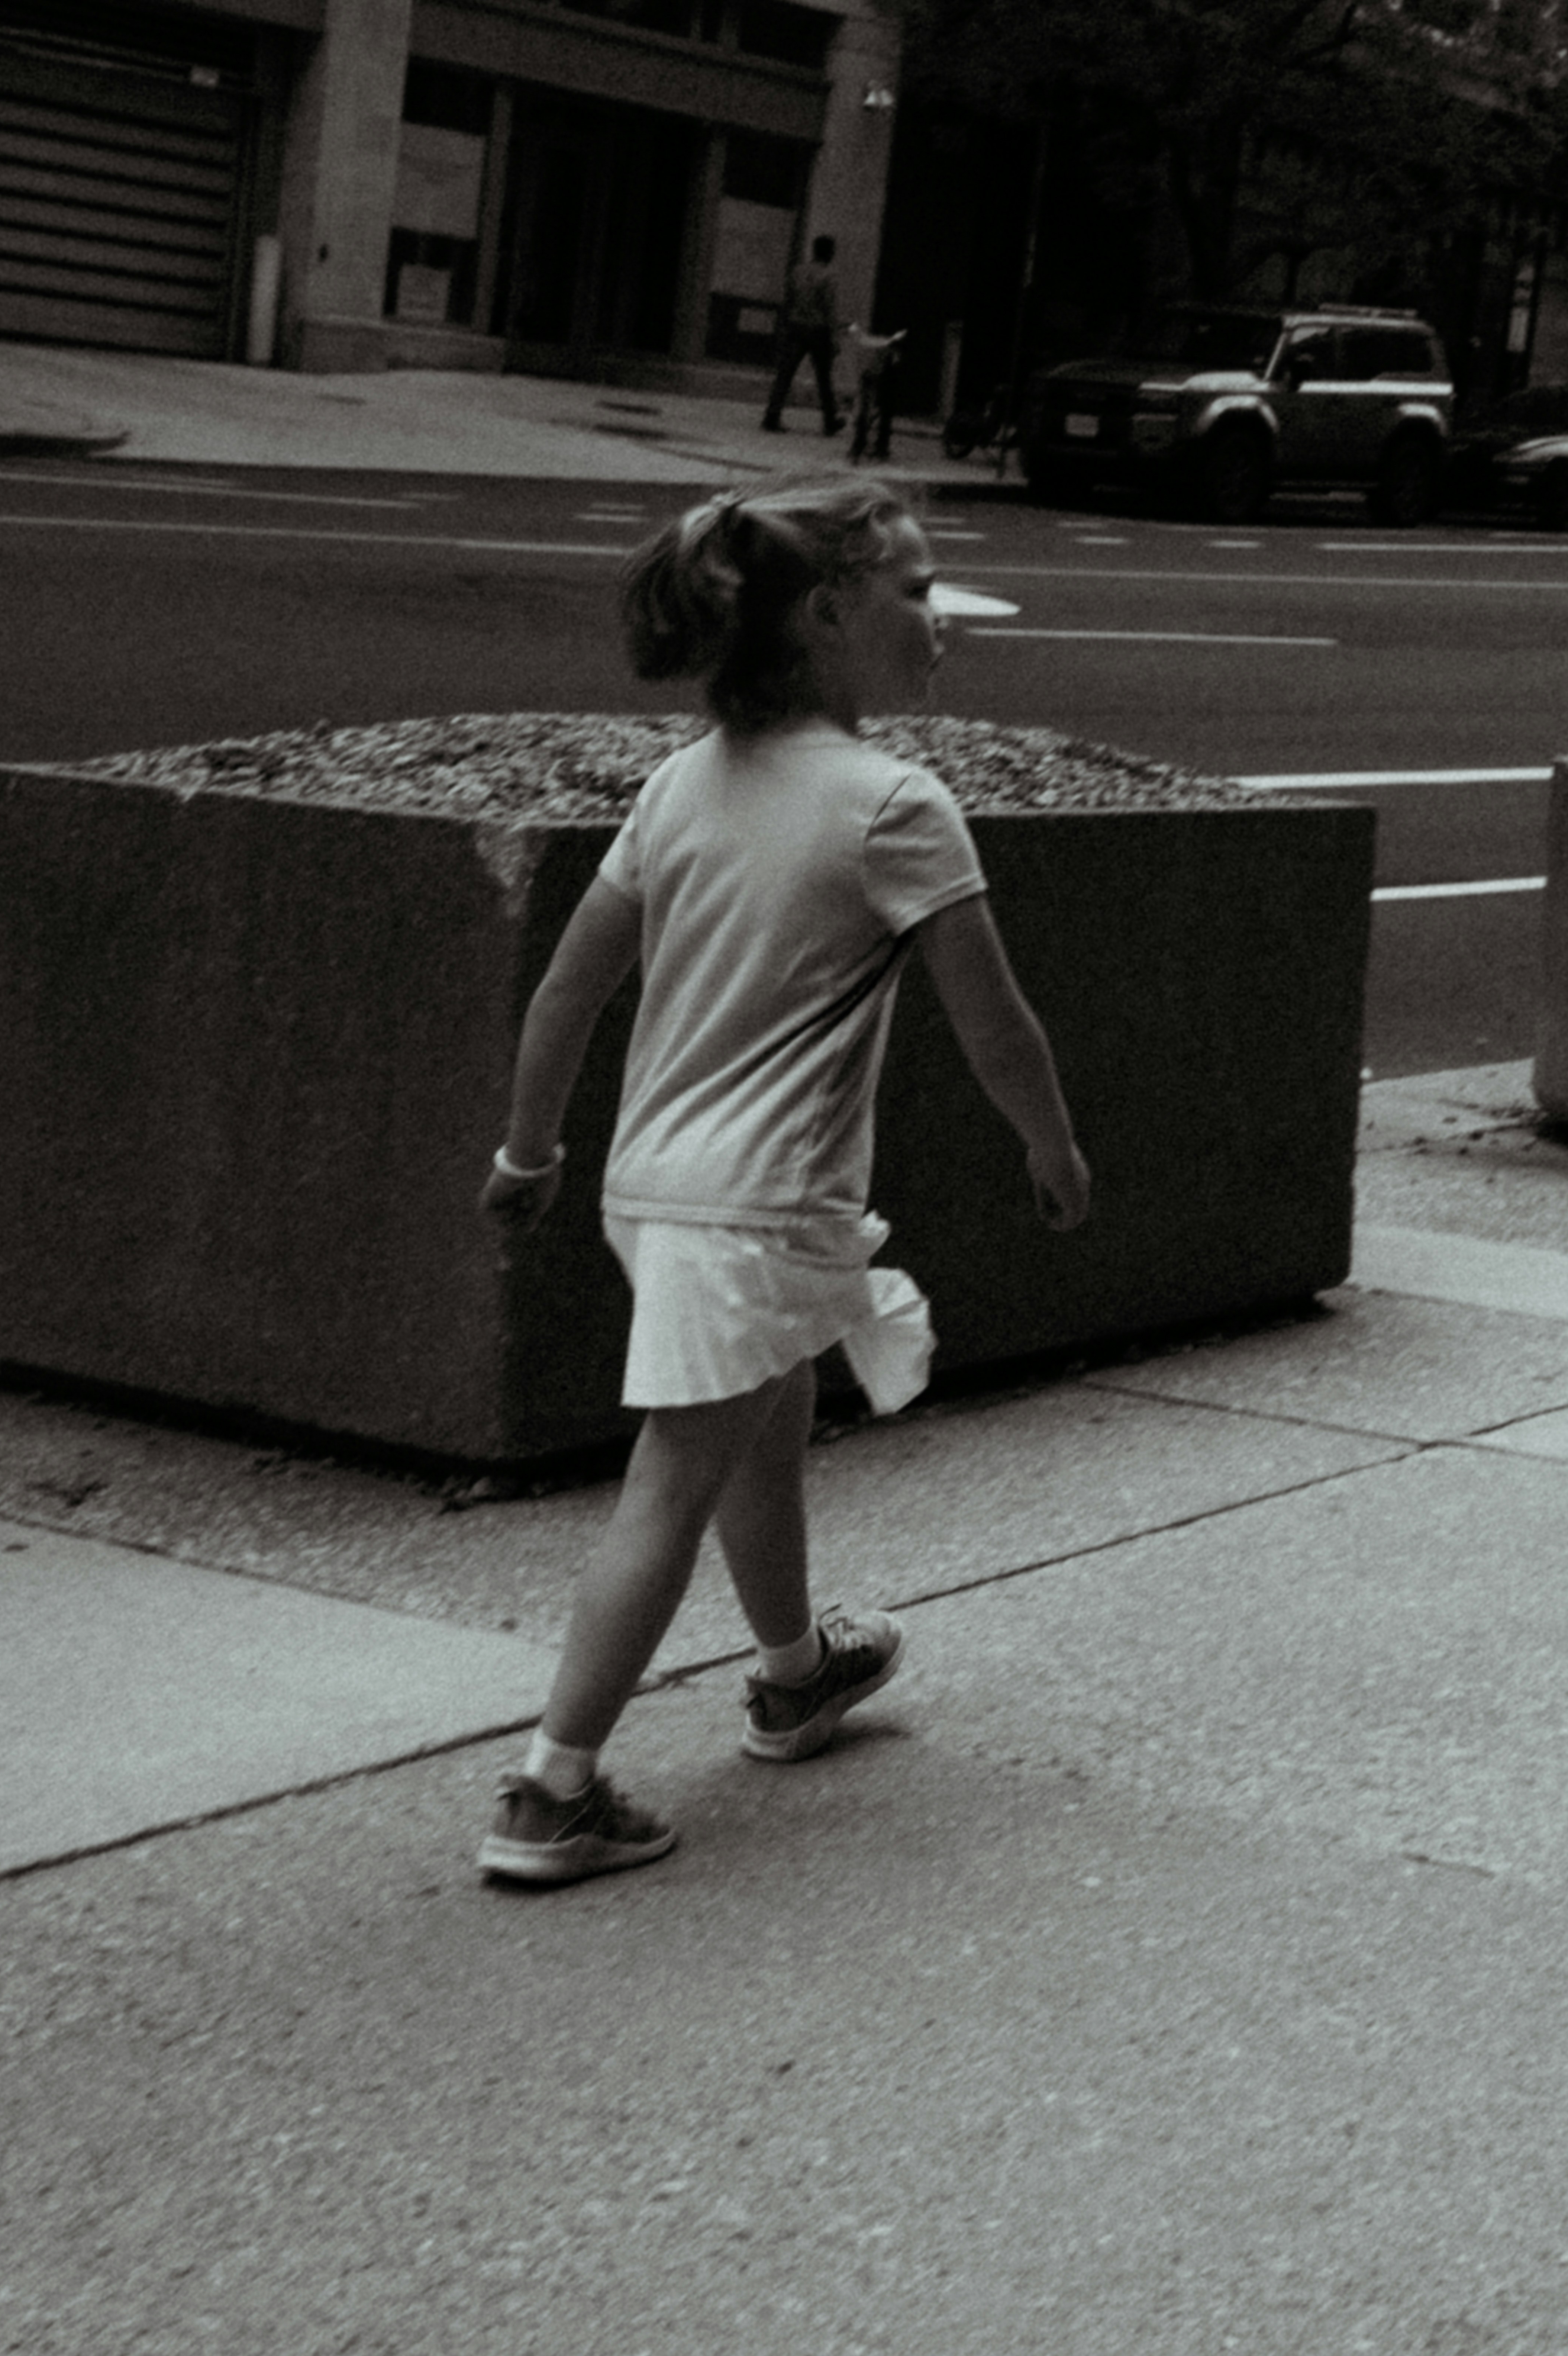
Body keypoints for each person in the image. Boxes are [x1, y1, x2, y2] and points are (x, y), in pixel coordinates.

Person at [474, 474, 1092, 1886]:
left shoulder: (678, 785)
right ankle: (548, 1789)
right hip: (759, 1202)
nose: (943, 619)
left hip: (656, 1190)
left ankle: (796, 1671)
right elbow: (995, 1019)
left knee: (767, 1416)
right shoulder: (893, 804)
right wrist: (1047, 1142)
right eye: (920, 591)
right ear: (828, 615)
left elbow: (568, 991)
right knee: (678, 1473)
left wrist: (530, 1150)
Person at [762, 236, 845, 436]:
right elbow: (829, 309)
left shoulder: (798, 272)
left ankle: (772, 415)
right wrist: (835, 337)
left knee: (785, 374)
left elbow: (788, 299)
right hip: (818, 330)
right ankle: (830, 420)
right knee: (824, 378)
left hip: (796, 327)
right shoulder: (829, 276)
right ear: (830, 253)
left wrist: (786, 323)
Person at [846, 323, 907, 464]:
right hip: (886, 351)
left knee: (869, 404)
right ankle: (878, 446)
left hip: (878, 353)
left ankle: (862, 445)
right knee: (882, 403)